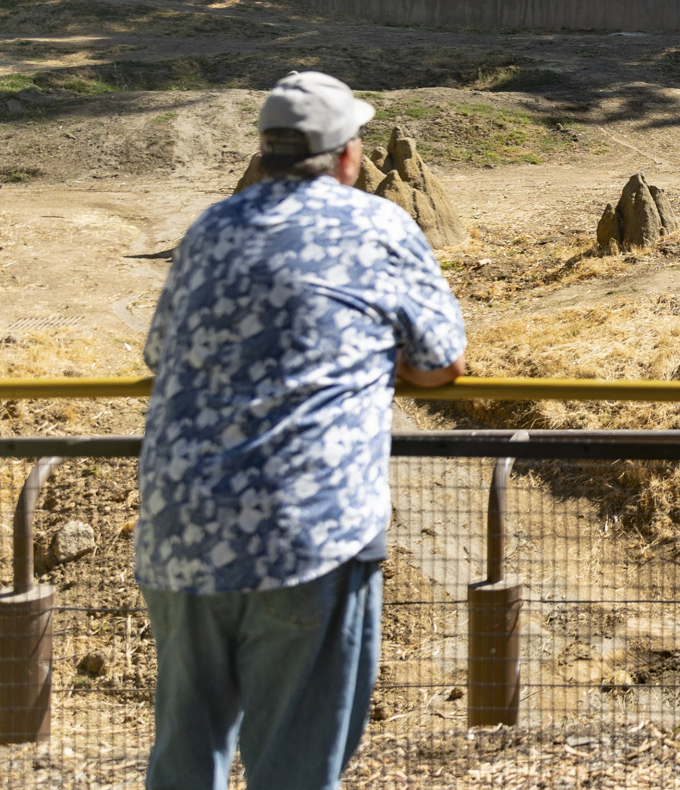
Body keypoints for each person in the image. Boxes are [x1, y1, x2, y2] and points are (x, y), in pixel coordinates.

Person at [135, 71, 467, 790]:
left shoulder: (208, 227)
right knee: (294, 766)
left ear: (267, 152)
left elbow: (158, 355)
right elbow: (442, 363)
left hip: (179, 533)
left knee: (186, 761)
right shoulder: (378, 226)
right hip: (307, 535)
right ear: (349, 157)